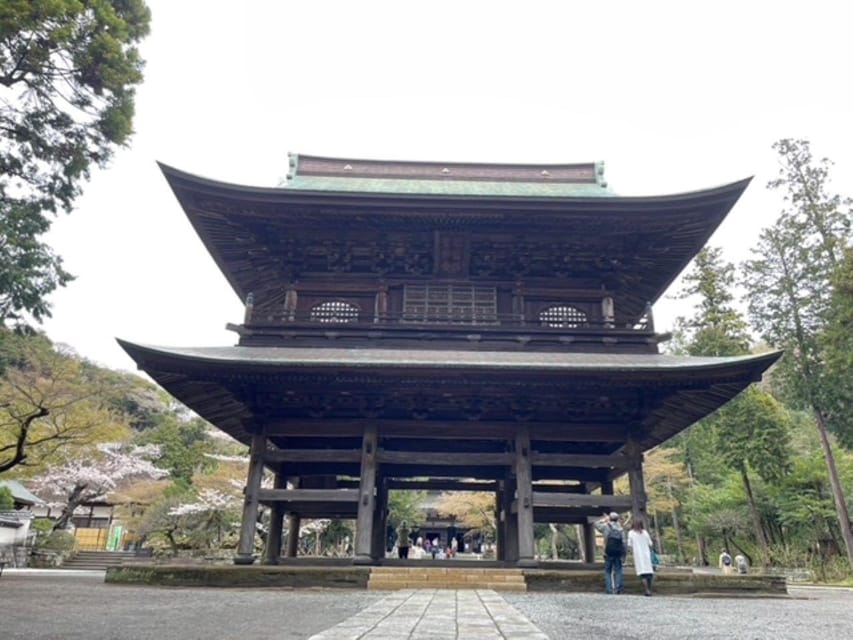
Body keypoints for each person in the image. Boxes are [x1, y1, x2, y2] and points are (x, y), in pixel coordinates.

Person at [595, 512, 625, 594]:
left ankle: (609, 589)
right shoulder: (620, 528)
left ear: (610, 518)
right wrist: (624, 554)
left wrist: (604, 520)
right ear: (617, 519)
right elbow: (623, 542)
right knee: (618, 570)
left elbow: (596, 524)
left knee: (608, 571)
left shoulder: (605, 526)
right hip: (618, 552)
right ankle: (618, 588)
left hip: (608, 552)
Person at [628, 518, 655, 596]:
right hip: (646, 554)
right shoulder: (645, 532)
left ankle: (646, 589)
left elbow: (629, 544)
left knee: (642, 573)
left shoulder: (631, 533)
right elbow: (650, 543)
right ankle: (649, 589)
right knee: (649, 573)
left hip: (638, 554)